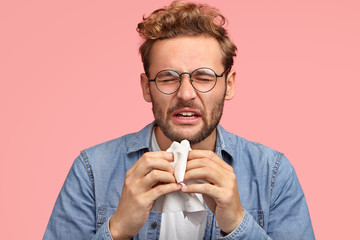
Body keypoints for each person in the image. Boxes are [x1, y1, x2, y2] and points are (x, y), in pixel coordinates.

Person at [44, 1, 315, 239]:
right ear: (146, 87)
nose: (186, 94)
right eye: (168, 78)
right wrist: (117, 230)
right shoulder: (92, 170)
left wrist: (236, 224)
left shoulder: (273, 172)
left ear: (229, 85)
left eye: (204, 77)